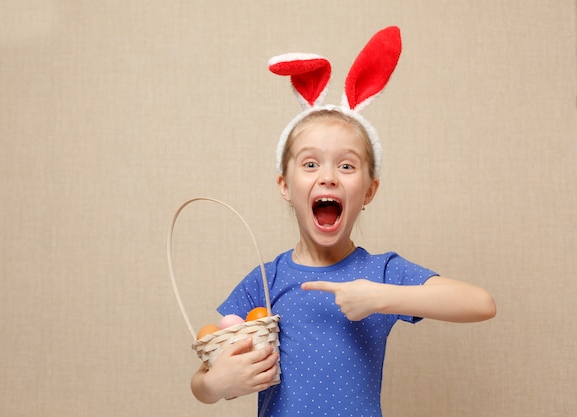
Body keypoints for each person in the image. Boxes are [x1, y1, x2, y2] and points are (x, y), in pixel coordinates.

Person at [191, 27, 496, 416]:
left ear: (369, 191)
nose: (329, 176)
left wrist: (382, 296)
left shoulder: (380, 272)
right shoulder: (265, 280)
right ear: (285, 186)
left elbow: (480, 303)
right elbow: (201, 380)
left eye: (347, 165)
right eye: (311, 163)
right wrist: (216, 384)